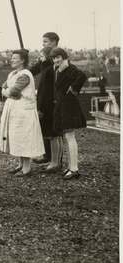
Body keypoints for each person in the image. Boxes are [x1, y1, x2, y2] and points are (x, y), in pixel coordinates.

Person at [0, 49, 45, 176]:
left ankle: (27, 168)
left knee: (24, 138)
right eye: (12, 58)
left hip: (24, 111)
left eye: (15, 58)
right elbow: (3, 86)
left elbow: (12, 91)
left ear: (22, 60)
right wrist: (7, 91)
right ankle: (20, 164)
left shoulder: (25, 74)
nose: (12, 60)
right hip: (15, 110)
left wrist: (7, 92)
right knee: (16, 137)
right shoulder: (13, 73)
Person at [50, 47, 87, 179]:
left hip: (69, 106)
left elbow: (82, 76)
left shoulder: (69, 68)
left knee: (70, 137)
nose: (56, 60)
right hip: (63, 106)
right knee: (67, 137)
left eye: (58, 57)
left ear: (64, 57)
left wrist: (73, 89)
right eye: (54, 58)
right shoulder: (59, 70)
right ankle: (71, 167)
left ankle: (74, 169)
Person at [30, 32, 60, 165]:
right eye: (43, 42)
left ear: (54, 42)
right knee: (45, 128)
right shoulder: (45, 59)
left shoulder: (57, 58)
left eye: (46, 42)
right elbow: (33, 70)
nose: (43, 44)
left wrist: (45, 61)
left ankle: (55, 159)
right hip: (43, 96)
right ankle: (48, 156)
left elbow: (51, 75)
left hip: (51, 99)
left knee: (52, 131)